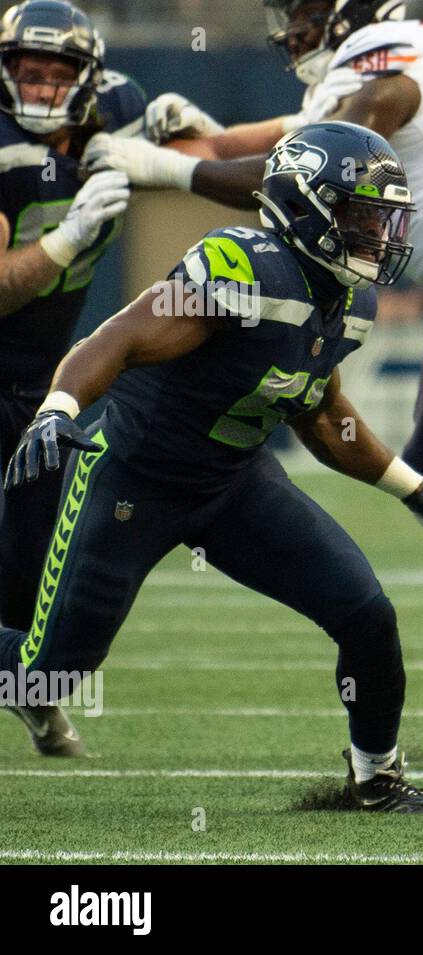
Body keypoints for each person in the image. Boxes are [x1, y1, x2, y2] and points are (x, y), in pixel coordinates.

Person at [82, 0, 423, 762]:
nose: (290, 30)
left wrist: (166, 165)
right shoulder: (373, 70)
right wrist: (186, 132)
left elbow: (280, 169)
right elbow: (273, 145)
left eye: (302, 11)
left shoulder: (388, 60)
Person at [0, 121, 423, 811]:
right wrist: (59, 406)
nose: (380, 234)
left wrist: (417, 491)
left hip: (234, 484)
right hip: (135, 477)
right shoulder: (244, 266)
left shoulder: (351, 301)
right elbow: (122, 335)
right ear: (305, 206)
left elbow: (323, 415)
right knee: (49, 673)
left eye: (385, 218)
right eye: (361, 215)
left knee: (367, 613)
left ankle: (376, 777)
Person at [0, 0, 141, 653]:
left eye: (57, 75)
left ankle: (29, 691)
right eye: (28, 73)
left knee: (32, 576)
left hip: (37, 386)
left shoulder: (116, 109)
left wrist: (176, 140)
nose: (41, 89)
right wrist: (71, 236)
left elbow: (198, 152)